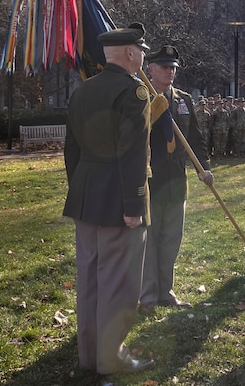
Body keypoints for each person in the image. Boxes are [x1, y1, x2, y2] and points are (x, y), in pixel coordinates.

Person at [63, 22, 155, 377]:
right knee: (118, 283)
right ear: (131, 53)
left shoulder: (83, 91)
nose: (143, 56)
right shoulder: (133, 93)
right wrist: (134, 206)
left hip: (87, 195)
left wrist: (80, 187)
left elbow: (71, 147)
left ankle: (89, 355)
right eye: (142, 51)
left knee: (90, 279)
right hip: (119, 198)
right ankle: (110, 358)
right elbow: (133, 154)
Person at [140, 45, 214, 313]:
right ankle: (147, 296)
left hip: (176, 181)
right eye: (164, 67)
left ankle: (165, 291)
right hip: (151, 180)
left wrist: (203, 167)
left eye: (173, 68)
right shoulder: (141, 97)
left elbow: (195, 137)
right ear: (150, 69)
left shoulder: (182, 100)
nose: (170, 72)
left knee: (171, 239)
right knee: (149, 239)